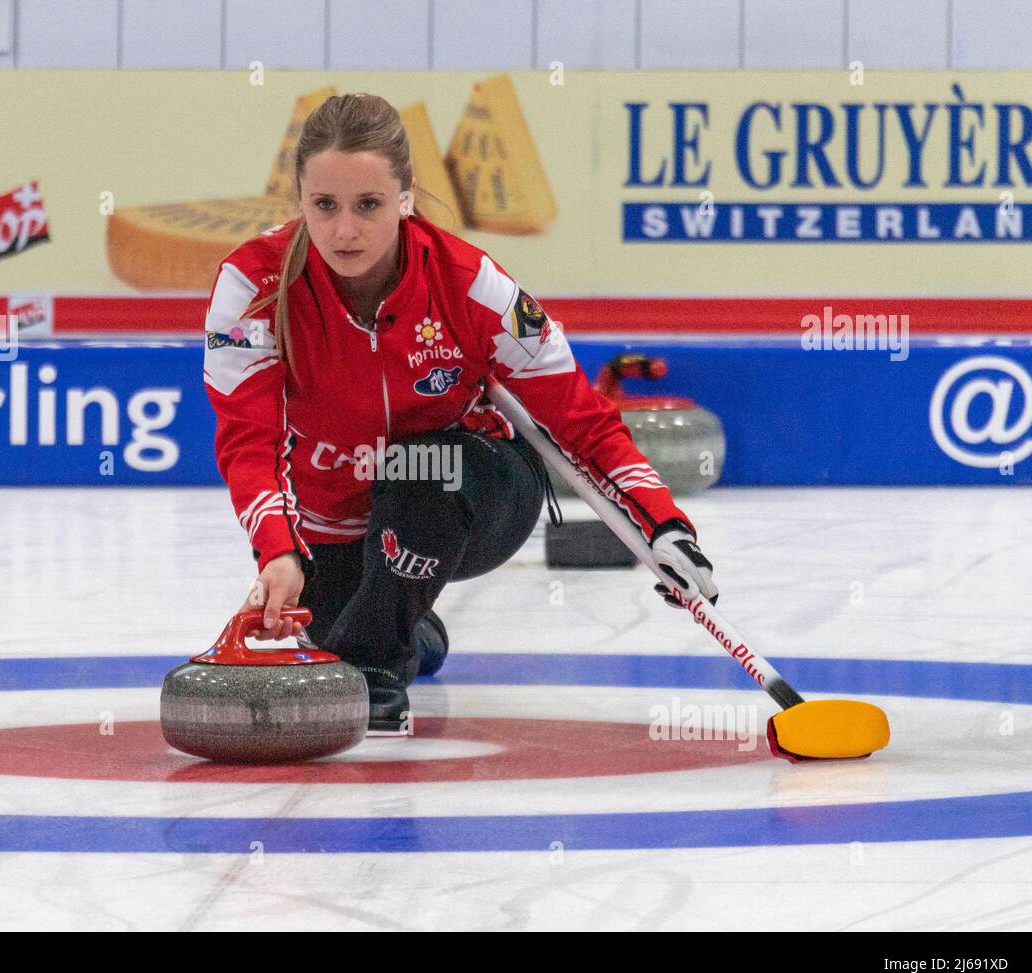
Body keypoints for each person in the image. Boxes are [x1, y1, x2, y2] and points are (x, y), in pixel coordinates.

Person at [203, 93, 717, 735]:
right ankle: (407, 621)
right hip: (332, 521)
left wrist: (664, 525)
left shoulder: (473, 285)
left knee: (418, 471)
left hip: (471, 494)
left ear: (406, 197)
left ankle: (377, 673)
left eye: (369, 205)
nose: (344, 232)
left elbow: (582, 420)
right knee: (339, 624)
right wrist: (277, 552)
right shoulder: (252, 284)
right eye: (324, 206)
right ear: (299, 199)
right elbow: (248, 439)